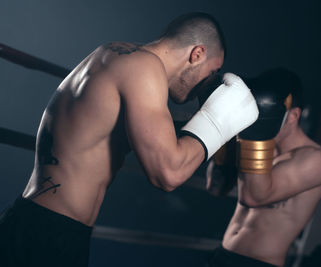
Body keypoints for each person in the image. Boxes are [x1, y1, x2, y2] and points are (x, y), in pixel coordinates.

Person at [0, 12, 259, 267]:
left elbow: (158, 138)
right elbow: (168, 173)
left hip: (35, 222)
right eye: (212, 72)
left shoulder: (116, 55)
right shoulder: (145, 69)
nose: (207, 85)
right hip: (49, 236)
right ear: (197, 54)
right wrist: (218, 120)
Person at [206, 68, 321, 267]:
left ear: (293, 116)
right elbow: (216, 188)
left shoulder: (314, 160)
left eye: (265, 111)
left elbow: (254, 197)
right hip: (222, 255)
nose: (258, 117)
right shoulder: (259, 145)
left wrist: (253, 134)